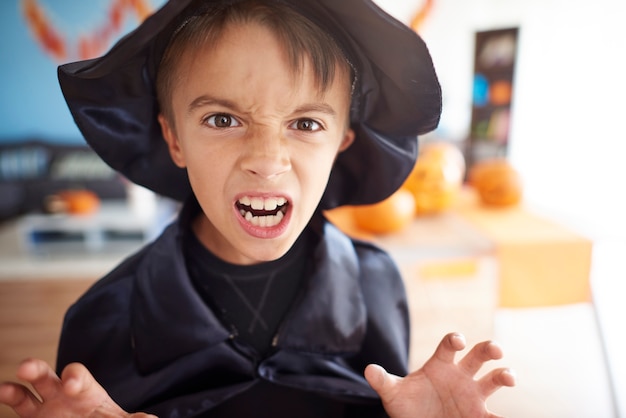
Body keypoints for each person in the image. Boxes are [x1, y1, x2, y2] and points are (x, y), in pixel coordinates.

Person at [0, 0, 515, 416]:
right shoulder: (104, 319)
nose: (266, 161)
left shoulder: (374, 284)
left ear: (341, 141)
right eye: (223, 120)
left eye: (306, 123)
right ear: (174, 138)